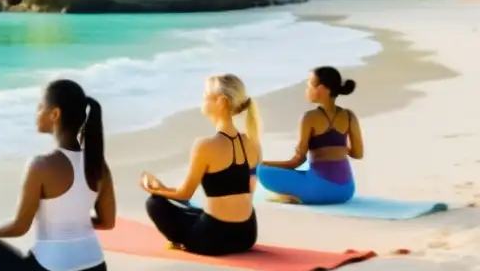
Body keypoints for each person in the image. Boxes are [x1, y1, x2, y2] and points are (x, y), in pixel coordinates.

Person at [0, 79, 116, 271]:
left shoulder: (40, 165)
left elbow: (19, 227)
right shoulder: (99, 165)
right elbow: (108, 221)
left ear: (55, 114)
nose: (36, 113)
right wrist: (71, 221)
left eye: (40, 107)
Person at [141, 73, 261, 256]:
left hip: (213, 239)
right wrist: (165, 188)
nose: (202, 99)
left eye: (205, 95)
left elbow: (185, 193)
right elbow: (241, 190)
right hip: (246, 235)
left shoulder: (205, 145)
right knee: (195, 211)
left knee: (155, 203)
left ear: (221, 102)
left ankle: (182, 239)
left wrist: (155, 190)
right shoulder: (252, 143)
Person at [258, 66, 363, 205]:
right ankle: (299, 191)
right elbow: (358, 153)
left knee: (261, 171)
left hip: (319, 190)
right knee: (307, 169)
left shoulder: (309, 118)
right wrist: (338, 148)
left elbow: (296, 162)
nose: (306, 90)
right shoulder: (349, 116)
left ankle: (296, 195)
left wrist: (262, 163)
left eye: (309, 85)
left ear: (320, 89)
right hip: (346, 191)